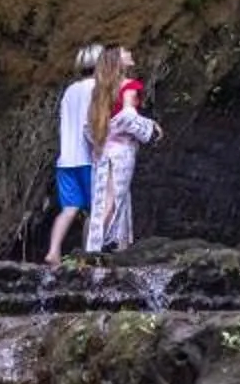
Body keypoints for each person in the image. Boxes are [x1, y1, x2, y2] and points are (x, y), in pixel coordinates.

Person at [84, 44, 163, 253]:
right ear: (117, 61)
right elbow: (128, 117)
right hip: (121, 151)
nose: (130, 54)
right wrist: (149, 127)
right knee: (112, 198)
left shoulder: (100, 89)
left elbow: (90, 126)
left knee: (109, 196)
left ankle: (120, 246)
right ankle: (94, 250)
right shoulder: (130, 86)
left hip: (102, 150)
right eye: (125, 52)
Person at [45, 41, 104, 267]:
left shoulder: (70, 90)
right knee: (95, 211)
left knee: (69, 209)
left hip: (66, 160)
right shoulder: (97, 89)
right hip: (89, 159)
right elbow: (93, 123)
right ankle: (88, 257)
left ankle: (53, 251)